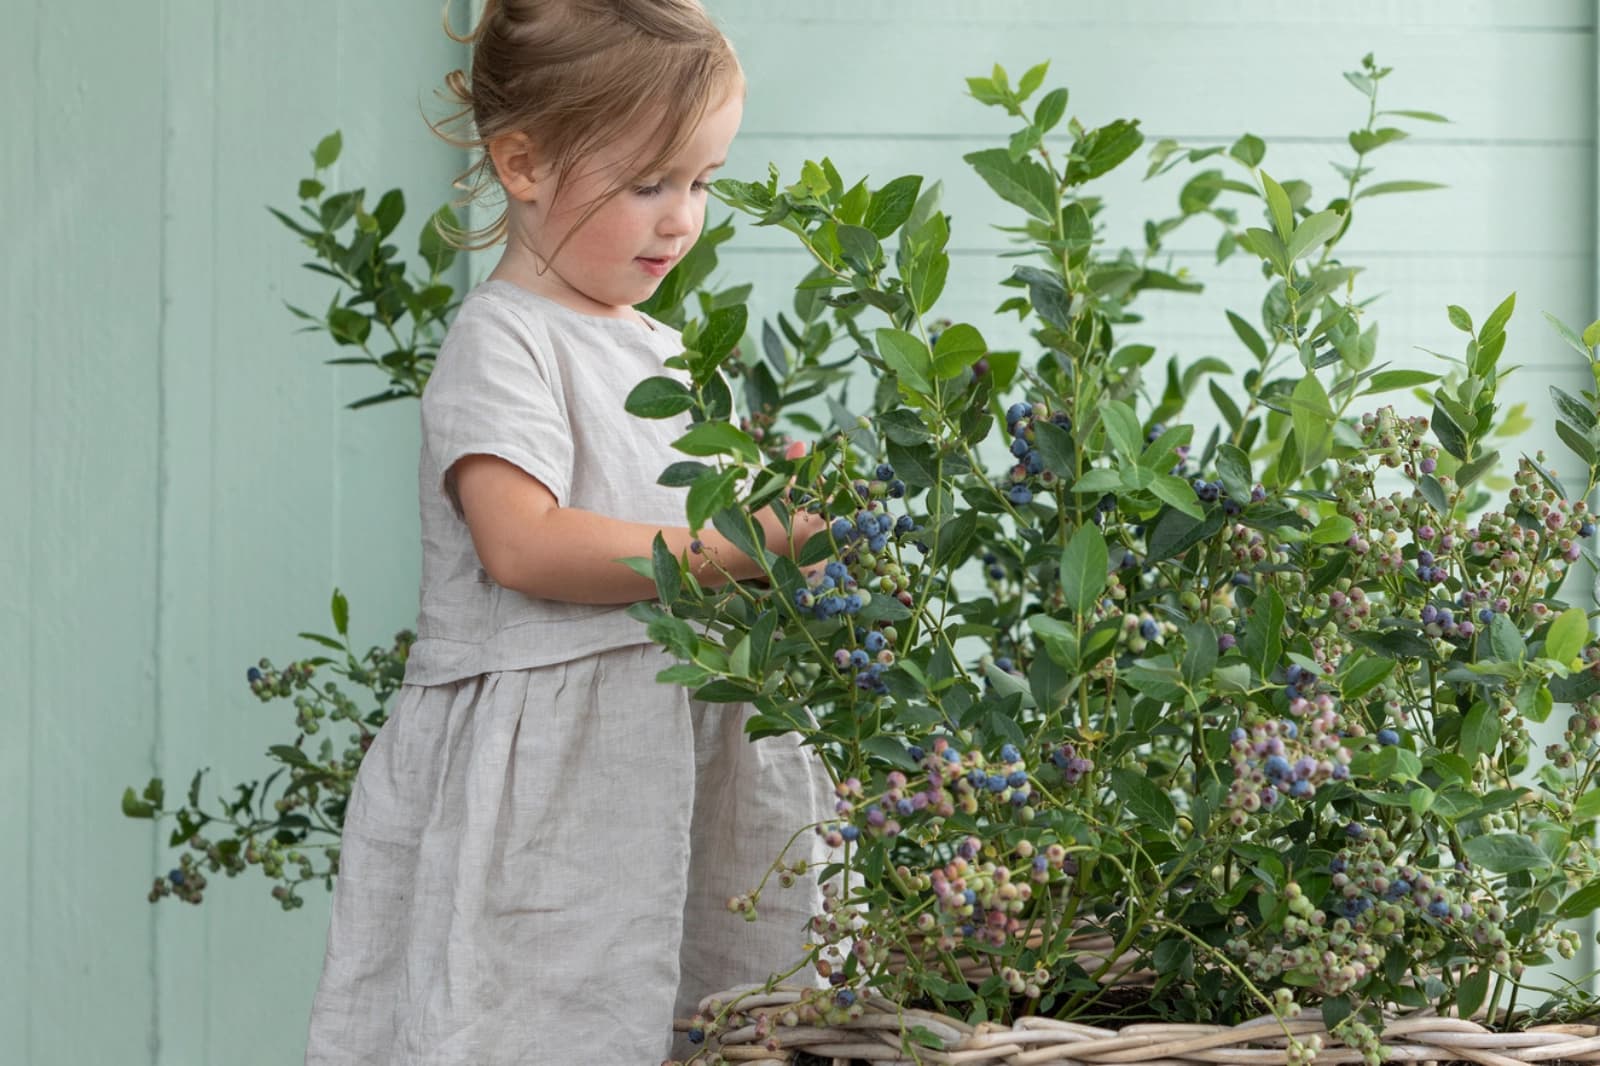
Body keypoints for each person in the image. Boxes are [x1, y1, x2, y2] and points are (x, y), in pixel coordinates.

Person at [303, 2, 833, 1062]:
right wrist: (731, 546)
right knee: (543, 1019)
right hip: (552, 789)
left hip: (673, 753)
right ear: (523, 163)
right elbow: (523, 544)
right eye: (649, 183)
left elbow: (677, 505)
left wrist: (776, 509)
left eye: (701, 182)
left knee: (723, 1015)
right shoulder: (502, 340)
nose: (681, 218)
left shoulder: (665, 348)